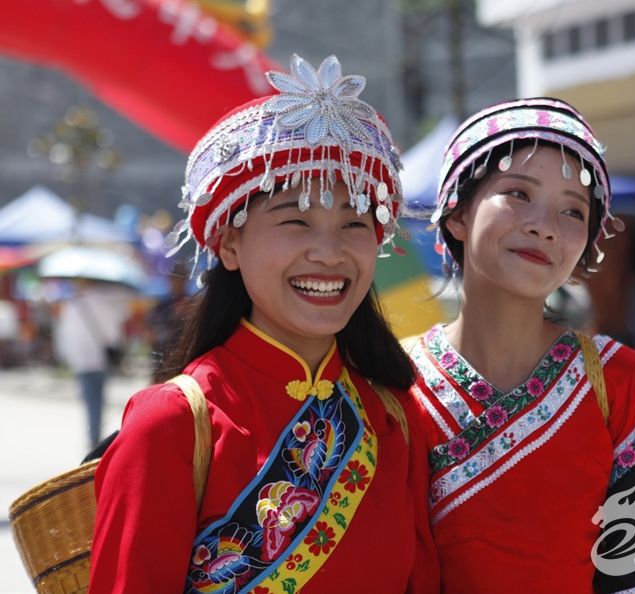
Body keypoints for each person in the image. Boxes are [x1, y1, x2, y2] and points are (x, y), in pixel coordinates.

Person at [89, 54, 438, 594]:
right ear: (229, 243)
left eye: (353, 222)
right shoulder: (174, 424)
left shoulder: (393, 415)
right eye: (295, 220)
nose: (328, 252)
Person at [406, 98, 635, 594]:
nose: (544, 225)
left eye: (573, 209)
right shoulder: (392, 382)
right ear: (457, 214)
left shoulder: (617, 379)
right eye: (517, 192)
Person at [54, 278, 132, 449]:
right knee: (99, 398)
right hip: (100, 359)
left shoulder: (72, 306)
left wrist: (67, 357)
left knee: (89, 398)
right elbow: (113, 334)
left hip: (81, 360)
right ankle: (95, 433)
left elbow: (66, 336)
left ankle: (93, 435)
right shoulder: (104, 305)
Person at [145, 260, 190, 383]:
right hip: (161, 356)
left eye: (181, 279)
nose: (177, 282)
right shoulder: (162, 305)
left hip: (183, 358)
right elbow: (149, 328)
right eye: (174, 278)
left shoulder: (192, 304)